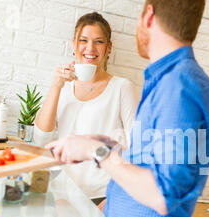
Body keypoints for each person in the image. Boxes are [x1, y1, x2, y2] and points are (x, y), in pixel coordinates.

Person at [45, 0, 209, 217]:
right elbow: (157, 165)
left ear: (148, 15)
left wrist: (96, 153)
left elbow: (162, 195)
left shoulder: (178, 89)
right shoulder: (171, 80)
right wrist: (106, 146)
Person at [34, 12, 138, 203]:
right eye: (84, 40)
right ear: (74, 44)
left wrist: (116, 196)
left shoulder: (121, 87)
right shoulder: (63, 86)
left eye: (99, 41)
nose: (90, 48)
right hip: (59, 192)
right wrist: (56, 85)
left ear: (109, 48)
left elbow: (137, 146)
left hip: (102, 195)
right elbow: (40, 138)